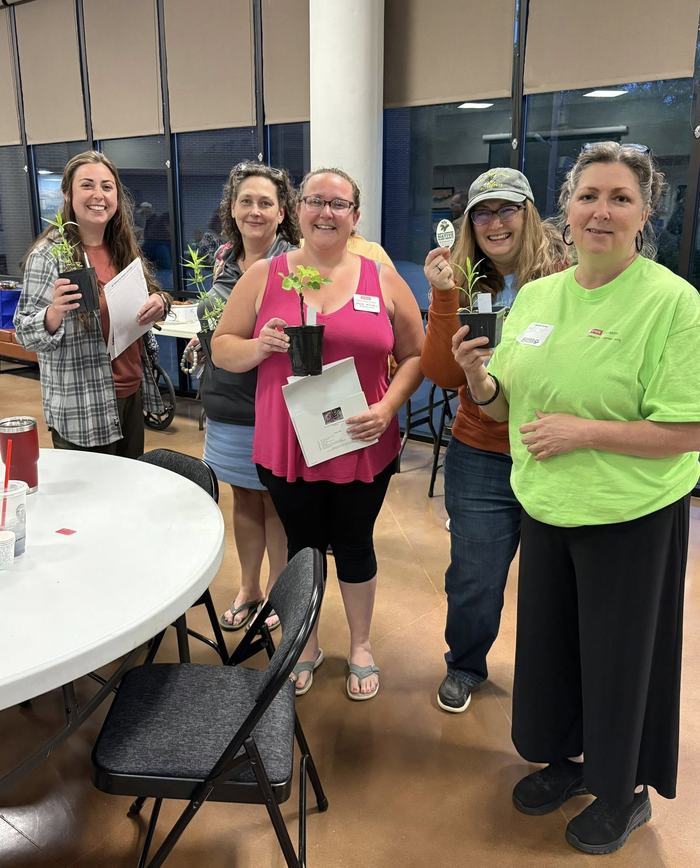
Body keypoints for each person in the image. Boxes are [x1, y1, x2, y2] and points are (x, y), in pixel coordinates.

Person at [455, 142, 700, 854]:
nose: (601, 211)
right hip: (548, 507)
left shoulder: (672, 303)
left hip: (630, 517)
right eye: (589, 195)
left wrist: (584, 431)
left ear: (644, 212)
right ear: (566, 208)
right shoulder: (538, 295)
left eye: (620, 198)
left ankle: (623, 791)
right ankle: (564, 762)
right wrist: (478, 381)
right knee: (555, 652)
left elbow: (688, 429)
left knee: (618, 660)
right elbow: (504, 405)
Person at [212, 167, 425, 699]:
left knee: (355, 544)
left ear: (355, 216)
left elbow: (417, 355)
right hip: (288, 445)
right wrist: (260, 346)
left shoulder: (383, 279)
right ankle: (302, 643)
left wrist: (388, 405)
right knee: (301, 546)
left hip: (361, 441)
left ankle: (360, 645)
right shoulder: (266, 274)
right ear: (298, 210)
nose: (326, 212)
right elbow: (223, 346)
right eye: (315, 201)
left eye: (339, 204)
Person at [421, 168, 566, 713]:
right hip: (481, 454)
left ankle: (550, 678)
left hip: (553, 451)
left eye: (507, 209)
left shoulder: (566, 279)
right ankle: (465, 664)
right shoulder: (463, 278)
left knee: (555, 582)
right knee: (475, 576)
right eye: (483, 212)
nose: (495, 222)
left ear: (529, 214)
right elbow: (441, 373)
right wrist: (442, 295)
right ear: (469, 223)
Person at [192, 162, 299, 633]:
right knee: (243, 500)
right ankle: (249, 587)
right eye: (246, 202)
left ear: (281, 213)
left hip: (275, 407)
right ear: (232, 210)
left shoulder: (296, 265)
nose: (255, 211)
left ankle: (279, 592)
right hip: (227, 403)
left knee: (276, 502)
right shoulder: (222, 259)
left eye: (266, 203)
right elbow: (222, 323)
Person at [15, 151, 170, 458]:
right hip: (83, 406)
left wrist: (161, 301)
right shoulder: (48, 256)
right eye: (87, 185)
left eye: (107, 187)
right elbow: (24, 332)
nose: (98, 195)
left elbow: (150, 295)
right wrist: (54, 312)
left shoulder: (123, 247)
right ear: (67, 194)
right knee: (92, 502)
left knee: (127, 493)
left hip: (131, 395)